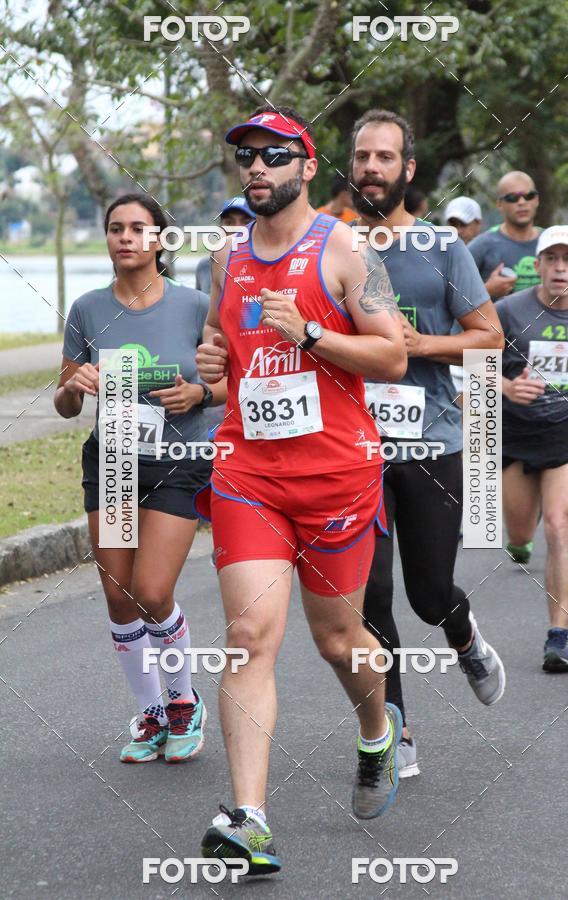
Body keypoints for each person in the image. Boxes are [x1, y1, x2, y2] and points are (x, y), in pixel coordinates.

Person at [194, 105, 408, 874]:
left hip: (337, 477)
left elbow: (393, 358)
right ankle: (249, 818)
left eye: (274, 155)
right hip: (248, 474)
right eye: (246, 156)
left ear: (308, 167)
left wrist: (312, 335)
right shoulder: (229, 259)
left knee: (339, 642)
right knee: (249, 639)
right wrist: (214, 363)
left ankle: (377, 732)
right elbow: (224, 345)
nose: (257, 168)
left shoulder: (346, 249)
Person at [348, 109, 506, 778]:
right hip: (357, 449)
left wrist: (421, 345)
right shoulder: (337, 247)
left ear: (407, 170)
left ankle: (464, 637)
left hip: (432, 440)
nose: (371, 168)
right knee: (372, 594)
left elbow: (489, 336)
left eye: (385, 157)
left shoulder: (442, 247)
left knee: (428, 591)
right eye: (361, 158)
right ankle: (397, 731)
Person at [54, 193, 226, 764]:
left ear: (161, 239)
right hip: (114, 460)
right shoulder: (86, 309)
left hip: (179, 462)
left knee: (153, 591)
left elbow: (235, 383)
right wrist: (73, 385)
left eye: (138, 228)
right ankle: (151, 711)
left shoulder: (196, 304)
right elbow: (65, 401)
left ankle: (185, 700)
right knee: (119, 596)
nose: (125, 238)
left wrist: (200, 393)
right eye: (114, 229)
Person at [497, 225, 568, 672]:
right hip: (517, 437)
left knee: (559, 525)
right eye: (551, 259)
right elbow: (469, 365)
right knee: (521, 533)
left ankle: (559, 636)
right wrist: (505, 387)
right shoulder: (506, 311)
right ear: (536, 265)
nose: (560, 268)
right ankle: (520, 539)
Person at [468, 171, 542, 299]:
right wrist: (487, 291)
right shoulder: (481, 246)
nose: (522, 202)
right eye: (513, 197)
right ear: (500, 204)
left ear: (536, 200)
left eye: (528, 196)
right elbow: (454, 295)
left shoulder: (552, 242)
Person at [444, 197, 484, 404]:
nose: (459, 230)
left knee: (481, 429)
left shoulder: (487, 249)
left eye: (464, 224)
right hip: (451, 350)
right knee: (457, 420)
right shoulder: (441, 254)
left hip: (483, 351)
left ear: (478, 224)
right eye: (453, 224)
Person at [195, 196, 255, 294]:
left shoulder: (265, 265)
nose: (236, 228)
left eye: (246, 222)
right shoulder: (205, 266)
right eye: (229, 222)